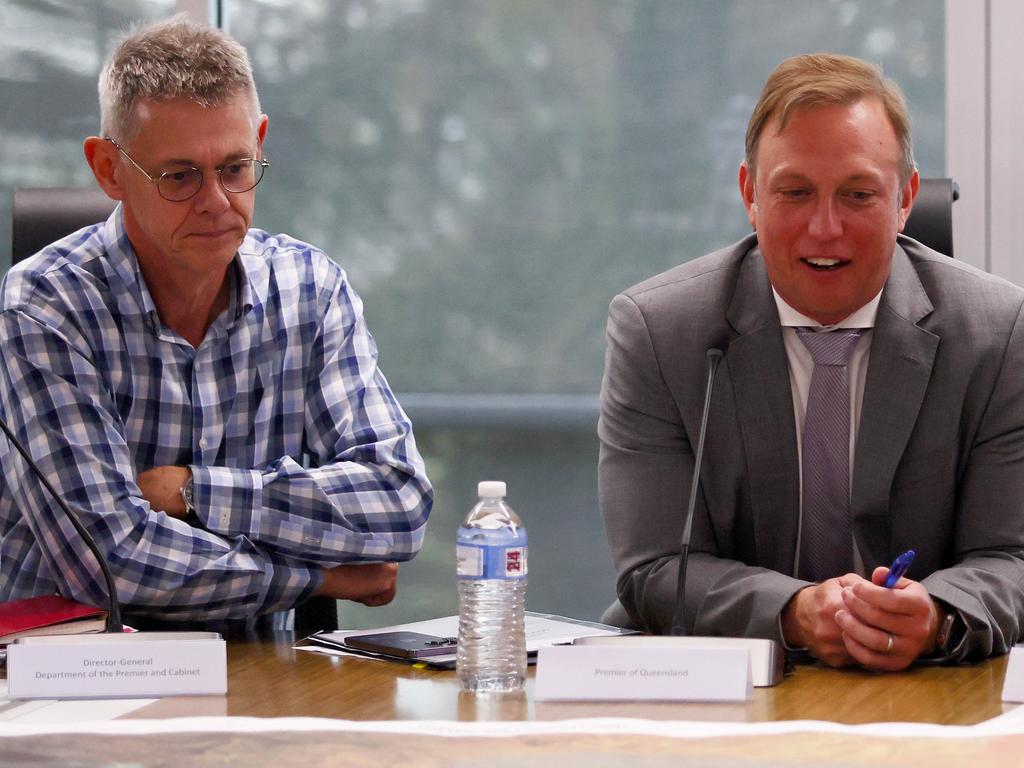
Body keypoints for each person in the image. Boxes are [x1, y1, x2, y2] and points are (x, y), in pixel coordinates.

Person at [0, 18, 433, 630]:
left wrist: (195, 492)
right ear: (108, 169)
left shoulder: (309, 288)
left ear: (259, 141)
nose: (216, 202)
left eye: (234, 168)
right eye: (179, 176)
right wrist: (318, 577)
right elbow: (111, 561)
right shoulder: (45, 306)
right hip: (80, 684)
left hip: (266, 679)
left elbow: (400, 502)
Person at [599, 53, 1024, 670]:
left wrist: (936, 615)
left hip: (926, 689)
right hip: (724, 680)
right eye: (795, 193)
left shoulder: (998, 330)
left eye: (858, 195)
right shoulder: (660, 330)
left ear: (905, 198)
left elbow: (1012, 556)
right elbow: (654, 569)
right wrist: (795, 612)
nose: (825, 229)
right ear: (750, 193)